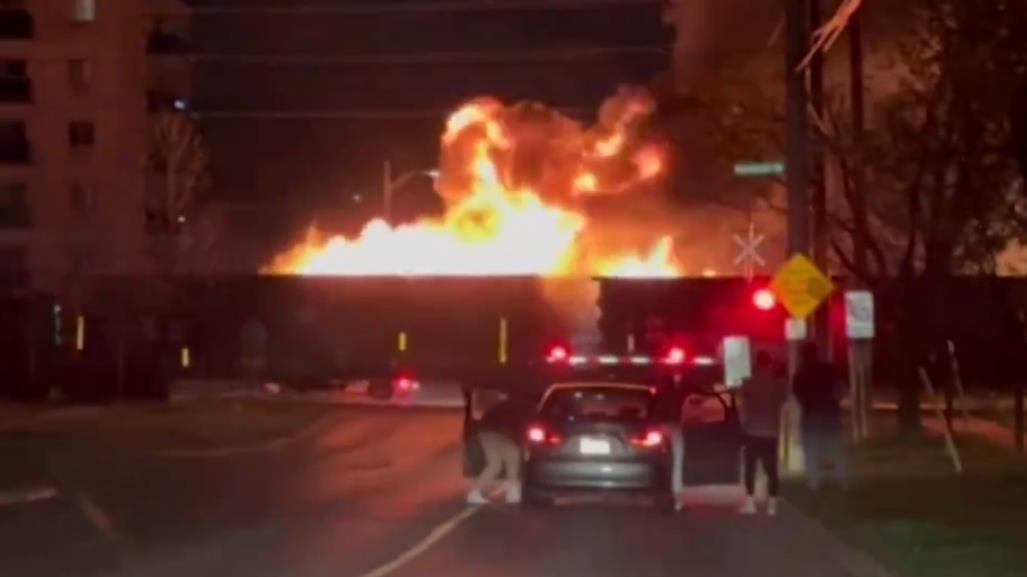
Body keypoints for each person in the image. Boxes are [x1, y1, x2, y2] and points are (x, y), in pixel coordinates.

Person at [737, 350, 789, 516]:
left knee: (750, 468)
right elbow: (784, 399)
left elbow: (742, 405)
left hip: (752, 431)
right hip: (772, 432)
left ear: (756, 363)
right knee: (771, 469)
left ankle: (750, 502)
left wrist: (743, 422)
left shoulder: (748, 382)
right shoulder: (778, 383)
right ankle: (772, 504)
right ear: (770, 363)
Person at [792, 341, 850, 490]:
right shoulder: (829, 369)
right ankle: (843, 482)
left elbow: (799, 397)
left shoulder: (800, 374)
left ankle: (814, 484)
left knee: (811, 451)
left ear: (803, 355)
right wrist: (834, 402)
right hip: (829, 415)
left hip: (811, 415)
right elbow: (841, 390)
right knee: (835, 448)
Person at [466, 392, 530, 505]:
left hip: (485, 432)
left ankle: (475, 493)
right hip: (496, 432)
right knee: (513, 454)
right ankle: (512, 490)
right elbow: (520, 429)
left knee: (495, 464)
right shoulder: (523, 408)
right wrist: (524, 447)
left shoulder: (511, 405)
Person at [653, 376, 687, 511]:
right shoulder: (679, 394)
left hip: (662, 427)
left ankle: (668, 492)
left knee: (664, 460)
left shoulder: (659, 395)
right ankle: (677, 497)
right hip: (674, 427)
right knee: (678, 462)